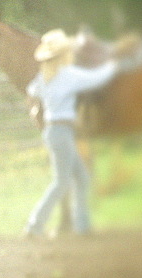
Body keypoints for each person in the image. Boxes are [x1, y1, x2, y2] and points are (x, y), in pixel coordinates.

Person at [24, 28, 121, 237]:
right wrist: (116, 63)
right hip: (62, 132)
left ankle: (82, 226)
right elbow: (98, 77)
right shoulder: (67, 75)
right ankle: (34, 225)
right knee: (62, 182)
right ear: (63, 54)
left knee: (82, 177)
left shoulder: (45, 76)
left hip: (55, 132)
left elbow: (31, 90)